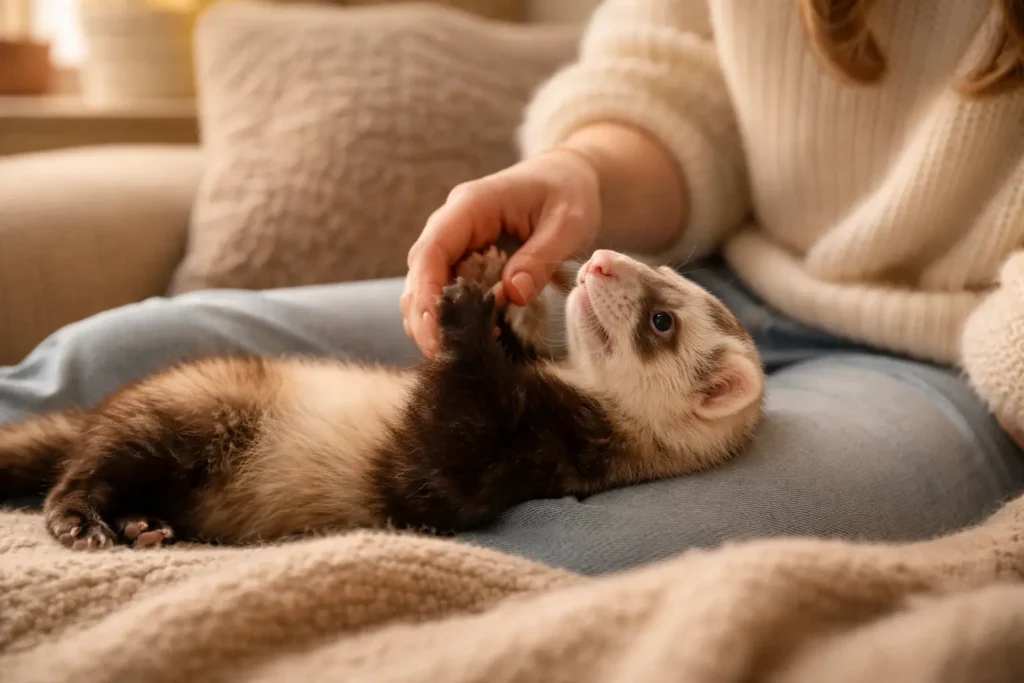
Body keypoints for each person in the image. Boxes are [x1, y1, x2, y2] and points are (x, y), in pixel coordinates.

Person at [2, 0, 1023, 575]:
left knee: (581, 549)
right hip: (716, 282)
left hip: (943, 358)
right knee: (122, 352)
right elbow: (682, 87)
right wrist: (581, 175)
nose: (603, 268)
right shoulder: (631, 300)